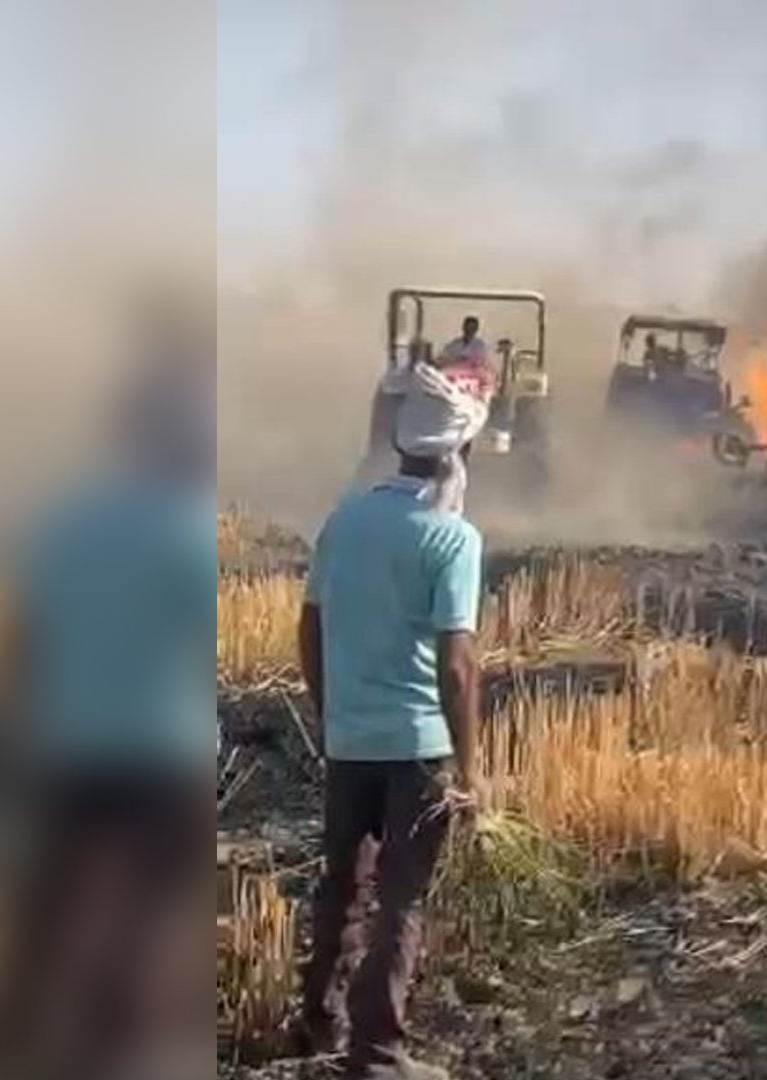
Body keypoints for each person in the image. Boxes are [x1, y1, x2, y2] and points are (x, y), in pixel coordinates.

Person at [4, 303, 216, 1080]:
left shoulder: (66, 523)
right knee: (153, 914)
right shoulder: (186, 531)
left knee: (57, 901)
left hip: (66, 739)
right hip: (160, 749)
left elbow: (24, 637)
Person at [294, 367, 488, 1080]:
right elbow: (458, 666)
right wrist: (470, 772)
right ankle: (376, 1055)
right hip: (417, 750)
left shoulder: (344, 521)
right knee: (402, 899)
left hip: (350, 742)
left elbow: (309, 627)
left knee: (340, 885)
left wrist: (331, 716)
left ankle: (317, 1022)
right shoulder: (453, 539)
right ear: (458, 454)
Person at [433, 315, 496, 402]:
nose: (469, 330)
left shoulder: (480, 345)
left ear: (476, 329)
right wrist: (440, 362)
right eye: (467, 327)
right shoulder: (455, 343)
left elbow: (479, 361)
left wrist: (462, 360)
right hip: (454, 374)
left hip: (472, 375)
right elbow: (444, 355)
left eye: (472, 327)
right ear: (463, 327)